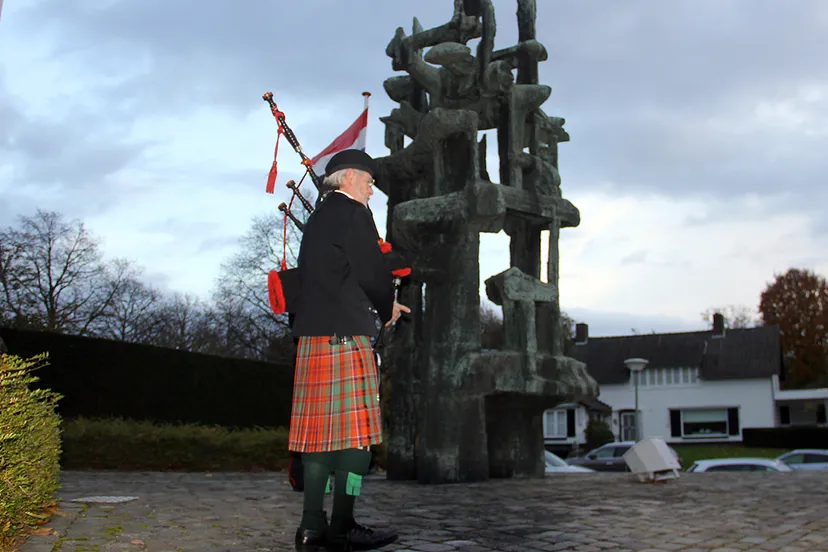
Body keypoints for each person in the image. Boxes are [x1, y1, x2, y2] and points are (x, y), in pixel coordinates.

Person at [290, 149, 410, 551]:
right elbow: (372, 273)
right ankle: (342, 528)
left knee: (317, 441)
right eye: (370, 183)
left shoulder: (318, 220)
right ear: (349, 178)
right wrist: (386, 305)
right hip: (346, 338)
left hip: (312, 339)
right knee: (356, 443)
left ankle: (310, 529)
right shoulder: (355, 214)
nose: (372, 191)